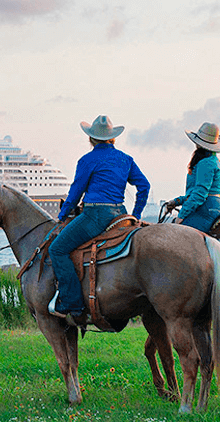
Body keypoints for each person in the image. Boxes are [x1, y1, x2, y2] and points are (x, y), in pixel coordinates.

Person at [48, 115, 150, 319]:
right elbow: (144, 186)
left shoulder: (87, 160)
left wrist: (62, 214)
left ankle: (73, 304)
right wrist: (135, 215)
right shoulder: (126, 159)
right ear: (113, 138)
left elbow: (76, 192)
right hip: (120, 215)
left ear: (91, 139)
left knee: (57, 249)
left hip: (95, 215)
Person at [163, 122, 220, 233]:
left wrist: (182, 215)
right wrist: (176, 201)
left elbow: (200, 193)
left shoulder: (205, 163)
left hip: (207, 210)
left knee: (175, 233)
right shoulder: (214, 161)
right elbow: (204, 193)